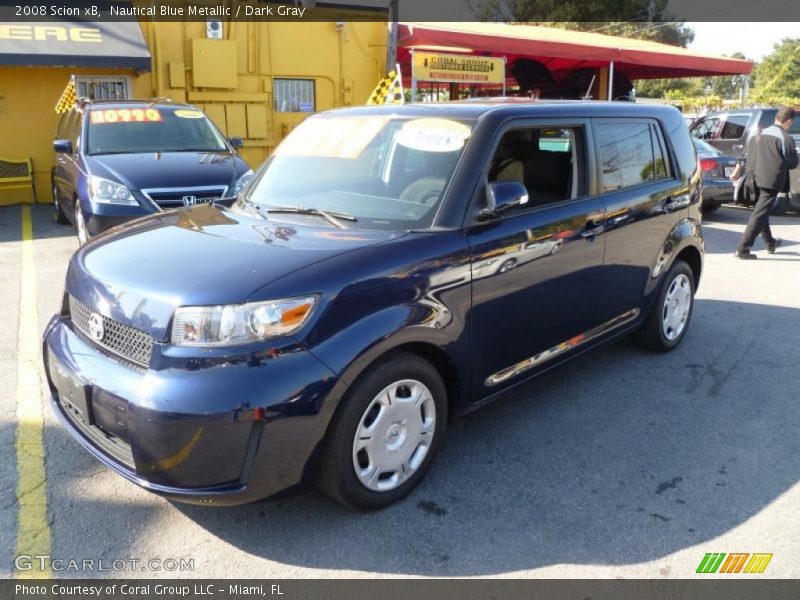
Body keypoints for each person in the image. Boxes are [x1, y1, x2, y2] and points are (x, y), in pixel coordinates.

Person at [735, 107, 799, 259]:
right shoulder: (785, 138)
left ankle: (770, 243)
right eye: (790, 124)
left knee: (761, 211)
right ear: (788, 121)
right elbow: (793, 163)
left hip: (753, 177)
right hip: (770, 181)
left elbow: (746, 154)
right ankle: (742, 249)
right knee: (759, 214)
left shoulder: (759, 133)